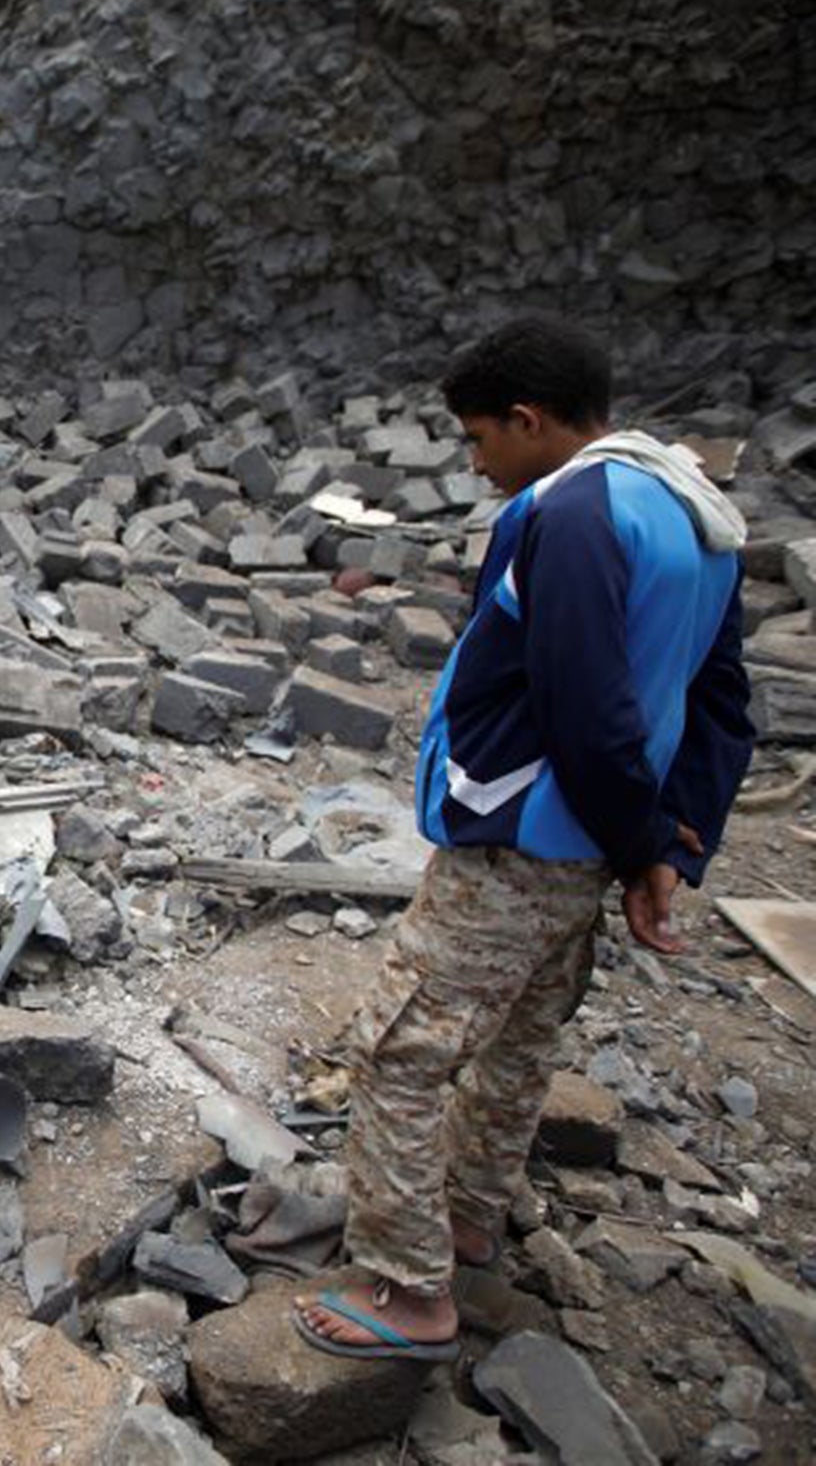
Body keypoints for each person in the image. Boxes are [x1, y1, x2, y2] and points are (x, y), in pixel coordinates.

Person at [293, 315, 754, 1360]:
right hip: (590, 845)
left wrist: (635, 833)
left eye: (477, 439)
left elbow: (585, 707)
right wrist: (661, 850)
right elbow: (718, 700)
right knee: (514, 1042)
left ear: (527, 419)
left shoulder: (571, 511)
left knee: (396, 1052)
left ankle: (408, 1291)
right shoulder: (692, 509)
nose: (473, 462)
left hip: (519, 835)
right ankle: (463, 1219)